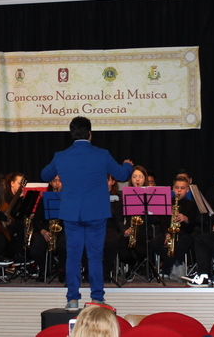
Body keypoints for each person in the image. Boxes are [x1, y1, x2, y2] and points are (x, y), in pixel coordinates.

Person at [40, 116, 133, 311]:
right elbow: (123, 175)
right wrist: (128, 164)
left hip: (71, 213)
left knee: (73, 256)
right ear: (90, 134)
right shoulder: (102, 154)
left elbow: (44, 175)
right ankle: (97, 298)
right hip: (96, 213)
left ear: (71, 134)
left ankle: (72, 299)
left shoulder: (61, 156)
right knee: (95, 256)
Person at [149, 176, 198, 281]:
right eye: (176, 187)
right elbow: (162, 221)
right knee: (154, 243)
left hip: (184, 233)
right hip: (169, 232)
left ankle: (168, 267)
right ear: (172, 189)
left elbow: (193, 225)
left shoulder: (191, 204)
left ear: (187, 190)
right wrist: (166, 233)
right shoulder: (167, 203)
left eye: (182, 188)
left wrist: (186, 219)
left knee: (180, 244)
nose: (179, 190)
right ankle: (175, 263)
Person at [29, 175, 66, 282]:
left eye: (60, 181)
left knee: (63, 245)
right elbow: (36, 219)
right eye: (54, 181)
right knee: (35, 249)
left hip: (64, 228)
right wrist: (42, 231)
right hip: (47, 229)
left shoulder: (69, 198)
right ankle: (44, 269)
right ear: (50, 182)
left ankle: (62, 270)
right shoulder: (44, 199)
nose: (57, 183)